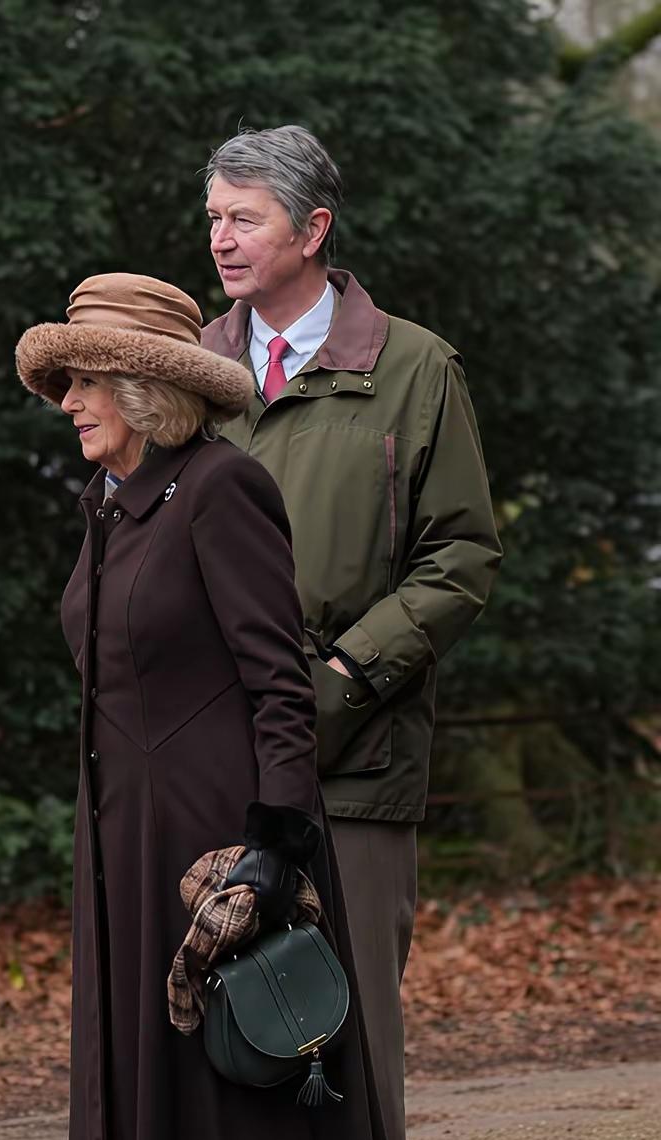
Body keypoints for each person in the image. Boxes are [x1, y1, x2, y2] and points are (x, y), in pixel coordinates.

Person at [15, 272, 383, 1139]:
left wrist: (274, 849)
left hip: (216, 841)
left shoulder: (222, 487)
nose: (68, 402)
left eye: (86, 381)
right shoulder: (111, 506)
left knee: (224, 1087)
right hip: (121, 839)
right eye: (65, 383)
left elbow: (280, 682)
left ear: (143, 390)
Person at [201, 125, 502, 1139]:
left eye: (244, 217)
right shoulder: (192, 371)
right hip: (211, 755)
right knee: (211, 1037)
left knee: (348, 1043)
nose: (221, 238)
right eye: (212, 217)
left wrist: (340, 674)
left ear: (312, 228)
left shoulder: (415, 369)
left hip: (354, 764)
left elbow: (458, 557)